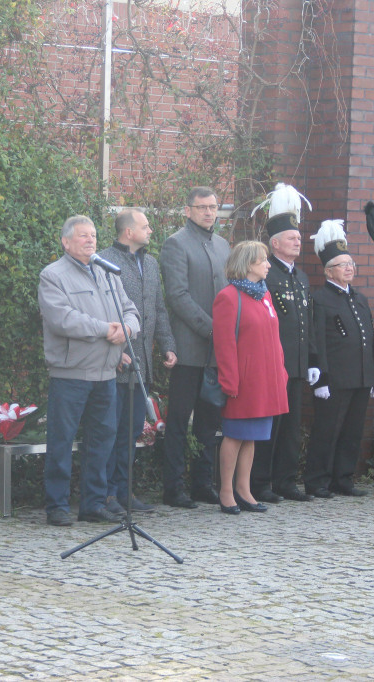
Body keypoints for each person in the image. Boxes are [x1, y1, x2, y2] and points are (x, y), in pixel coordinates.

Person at [39, 215, 140, 526]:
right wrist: (104, 329)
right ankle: (56, 505)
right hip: (71, 374)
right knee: (62, 440)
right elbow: (62, 318)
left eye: (93, 235)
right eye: (83, 236)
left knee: (102, 441)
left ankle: (93, 504)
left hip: (106, 374)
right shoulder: (52, 275)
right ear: (66, 242)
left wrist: (127, 330)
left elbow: (131, 311)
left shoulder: (108, 272)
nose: (90, 240)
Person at [97, 209, 176, 514]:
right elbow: (100, 309)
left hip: (141, 363)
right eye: (145, 226)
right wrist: (114, 352)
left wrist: (167, 344)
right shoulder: (105, 261)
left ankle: (125, 491)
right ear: (128, 232)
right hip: (115, 362)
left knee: (131, 432)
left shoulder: (151, 263)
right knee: (110, 431)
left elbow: (158, 308)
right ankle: (105, 495)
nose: (151, 230)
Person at [158, 187, 230, 508]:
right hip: (188, 348)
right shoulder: (176, 243)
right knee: (178, 420)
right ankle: (173, 487)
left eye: (213, 207)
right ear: (187, 210)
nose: (208, 213)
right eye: (202, 207)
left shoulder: (223, 245)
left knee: (208, 422)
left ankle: (203, 484)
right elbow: (177, 296)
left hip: (217, 352)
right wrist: (212, 328)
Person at [303, 221, 374, 498]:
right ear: (328, 270)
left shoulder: (358, 298)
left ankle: (343, 478)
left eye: (351, 264)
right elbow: (317, 341)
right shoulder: (320, 299)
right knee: (327, 430)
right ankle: (317, 480)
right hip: (334, 379)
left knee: (352, 431)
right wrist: (320, 379)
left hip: (360, 376)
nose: (349, 268)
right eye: (342, 264)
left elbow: (368, 338)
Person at [212, 241, 288, 515]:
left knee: (252, 436)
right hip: (243, 381)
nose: (268, 264)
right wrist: (230, 381)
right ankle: (226, 491)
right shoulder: (229, 297)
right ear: (248, 264)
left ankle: (244, 489)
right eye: (263, 260)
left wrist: (280, 370)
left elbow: (274, 337)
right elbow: (224, 344)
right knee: (234, 435)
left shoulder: (263, 295)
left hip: (264, 379)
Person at [250, 210, 317, 503]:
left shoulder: (301, 276)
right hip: (274, 363)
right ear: (275, 243)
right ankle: (260, 482)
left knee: (291, 426)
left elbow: (307, 321)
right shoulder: (267, 274)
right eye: (291, 238)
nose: (297, 242)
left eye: (299, 238)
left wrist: (312, 359)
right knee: (270, 426)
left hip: (297, 363)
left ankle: (286, 480)